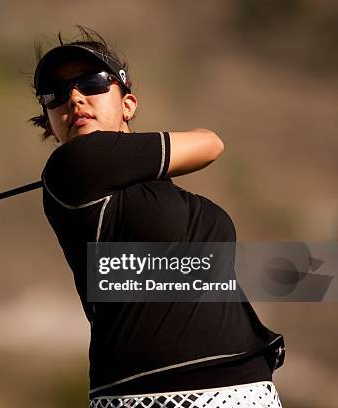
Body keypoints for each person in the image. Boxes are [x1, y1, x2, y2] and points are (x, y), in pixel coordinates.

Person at [30, 27, 285, 408]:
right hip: (152, 392)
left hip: (244, 384)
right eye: (57, 94)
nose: (75, 98)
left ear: (128, 103)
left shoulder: (164, 196)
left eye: (91, 83)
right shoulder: (74, 163)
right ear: (50, 123)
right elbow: (209, 143)